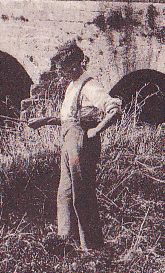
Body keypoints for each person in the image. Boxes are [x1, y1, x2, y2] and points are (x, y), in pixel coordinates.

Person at [28, 41, 122, 251]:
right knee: (65, 194)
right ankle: (66, 244)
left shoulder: (89, 84)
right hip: (68, 142)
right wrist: (43, 120)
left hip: (81, 144)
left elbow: (114, 109)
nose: (59, 73)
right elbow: (68, 118)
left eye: (61, 69)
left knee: (83, 195)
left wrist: (97, 130)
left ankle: (92, 249)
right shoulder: (73, 85)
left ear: (74, 65)